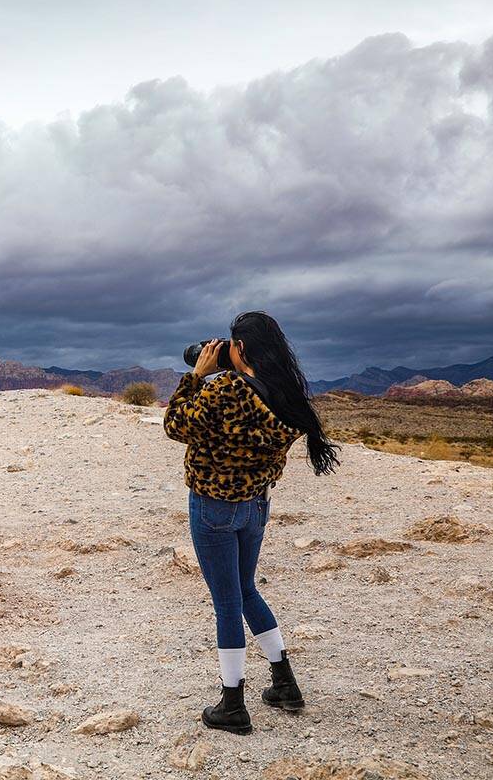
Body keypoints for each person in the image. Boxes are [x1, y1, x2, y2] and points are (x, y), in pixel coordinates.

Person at [163, 311, 340, 735]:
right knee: (245, 590)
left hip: (213, 507)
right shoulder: (285, 394)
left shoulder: (225, 389)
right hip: (256, 505)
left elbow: (175, 425)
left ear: (239, 348)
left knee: (227, 602)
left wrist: (196, 376)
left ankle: (232, 704)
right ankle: (284, 682)